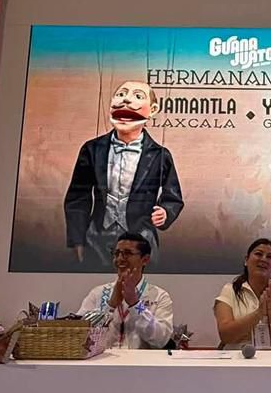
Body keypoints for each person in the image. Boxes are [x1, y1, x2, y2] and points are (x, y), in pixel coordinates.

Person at [64, 80, 184, 271]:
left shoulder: (160, 155)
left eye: (137, 96)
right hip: (97, 239)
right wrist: (77, 240)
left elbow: (173, 197)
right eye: (121, 94)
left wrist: (165, 212)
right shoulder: (92, 149)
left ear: (152, 110)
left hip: (142, 242)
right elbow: (78, 197)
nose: (126, 100)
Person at [76, 233, 174, 350]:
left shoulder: (159, 296)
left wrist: (135, 304)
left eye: (127, 253)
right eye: (117, 253)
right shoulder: (98, 293)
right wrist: (110, 306)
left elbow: (161, 340)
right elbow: (79, 333)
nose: (120, 259)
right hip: (105, 360)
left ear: (145, 259)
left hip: (142, 361)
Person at [214, 238, 271, 350]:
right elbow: (225, 335)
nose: (264, 259)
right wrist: (258, 313)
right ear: (246, 260)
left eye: (270, 257)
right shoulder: (229, 290)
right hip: (240, 358)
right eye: (258, 254)